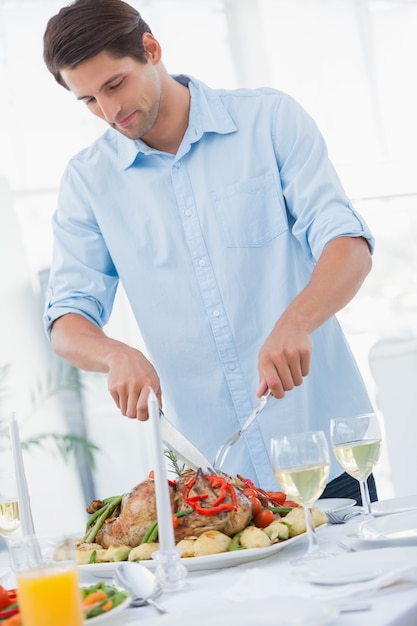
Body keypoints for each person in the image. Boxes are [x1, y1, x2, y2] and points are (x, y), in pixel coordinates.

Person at [42, 0, 377, 499]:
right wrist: (114, 354)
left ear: (151, 50)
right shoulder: (89, 181)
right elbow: (66, 319)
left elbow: (347, 244)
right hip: (214, 483)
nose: (109, 112)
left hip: (323, 452)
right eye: (89, 100)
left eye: (115, 85)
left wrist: (297, 320)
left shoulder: (268, 119)